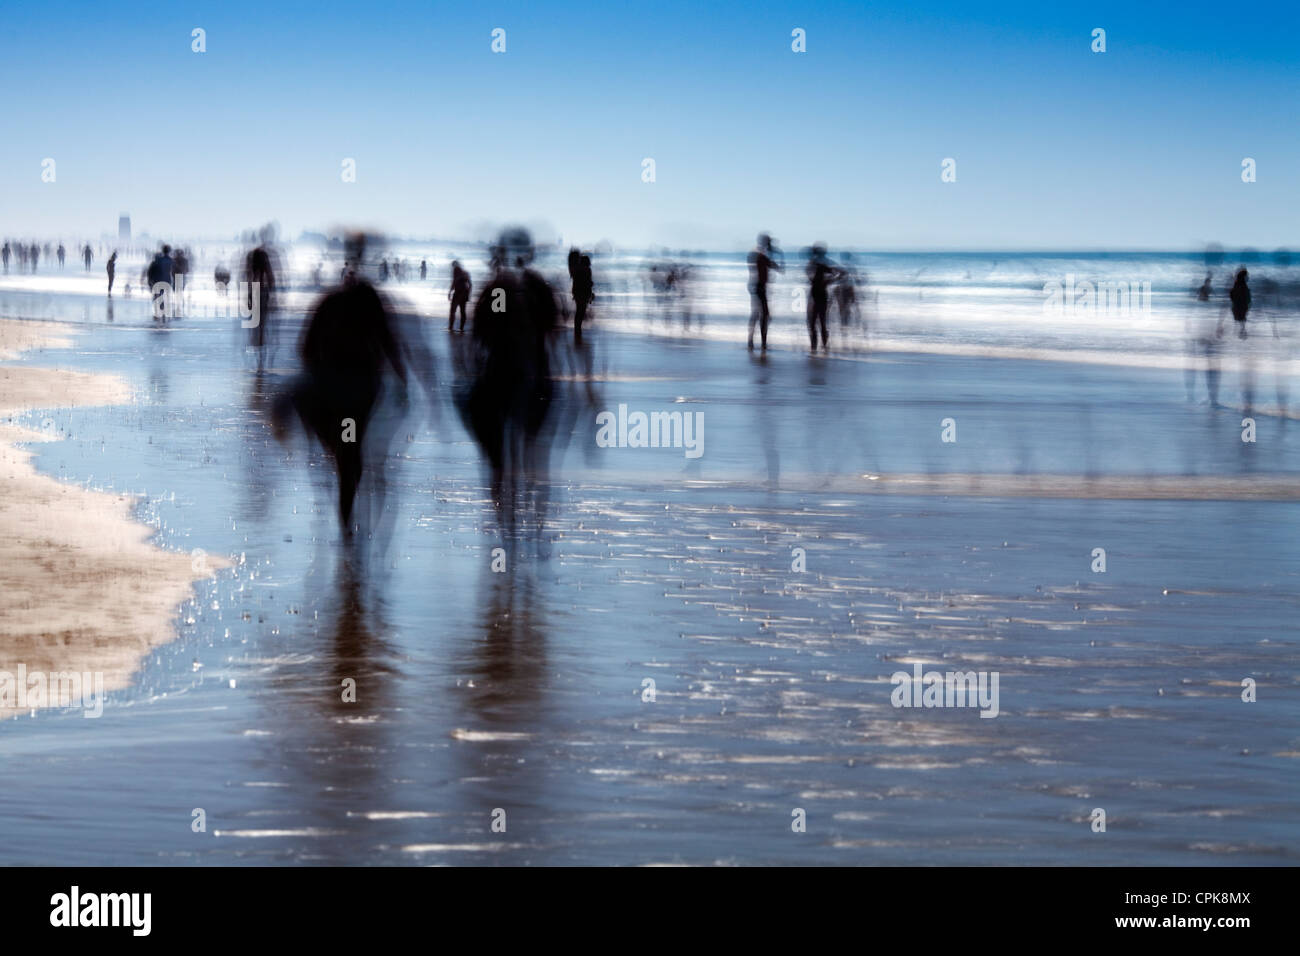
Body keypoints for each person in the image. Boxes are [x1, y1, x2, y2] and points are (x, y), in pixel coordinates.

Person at [279, 236, 409, 537]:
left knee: (345, 450)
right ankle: (348, 517)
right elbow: (390, 343)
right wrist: (401, 381)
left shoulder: (331, 301)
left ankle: (347, 518)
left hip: (336, 390)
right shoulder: (368, 301)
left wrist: (314, 377)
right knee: (351, 449)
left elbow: (305, 347)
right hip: (360, 391)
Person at [747, 233, 782, 350]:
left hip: (756, 286)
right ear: (765, 242)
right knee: (764, 315)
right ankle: (762, 343)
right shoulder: (760, 254)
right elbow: (778, 268)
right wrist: (780, 254)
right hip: (759, 287)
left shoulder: (756, 252)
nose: (770, 244)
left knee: (758, 314)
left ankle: (753, 341)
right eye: (769, 242)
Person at [805, 244, 842, 352]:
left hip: (817, 295)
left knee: (815, 322)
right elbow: (840, 272)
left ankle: (817, 348)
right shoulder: (816, 265)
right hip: (818, 294)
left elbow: (840, 272)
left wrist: (828, 281)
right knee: (819, 322)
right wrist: (829, 281)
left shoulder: (818, 265)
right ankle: (820, 347)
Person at [567, 247, 595, 345]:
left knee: (579, 312)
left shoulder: (576, 270)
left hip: (577, 293)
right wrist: (591, 290)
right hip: (583, 293)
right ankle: (577, 333)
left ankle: (577, 332)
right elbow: (588, 283)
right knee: (580, 312)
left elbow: (577, 283)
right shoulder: (587, 270)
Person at [449, 260, 472, 331]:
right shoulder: (465, 273)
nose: (452, 268)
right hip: (464, 294)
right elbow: (470, 284)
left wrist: (450, 292)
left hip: (458, 293)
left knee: (453, 310)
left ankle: (451, 327)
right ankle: (461, 328)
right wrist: (468, 294)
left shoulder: (456, 271)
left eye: (453, 266)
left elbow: (454, 282)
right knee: (462, 311)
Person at [1230, 268, 1251, 339]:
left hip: (1237, 306)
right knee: (1242, 319)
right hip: (1241, 306)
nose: (1248, 278)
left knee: (1240, 320)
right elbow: (1247, 298)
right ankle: (1241, 332)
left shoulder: (1236, 285)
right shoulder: (1243, 286)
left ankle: (1240, 332)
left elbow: (1231, 295)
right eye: (1247, 276)